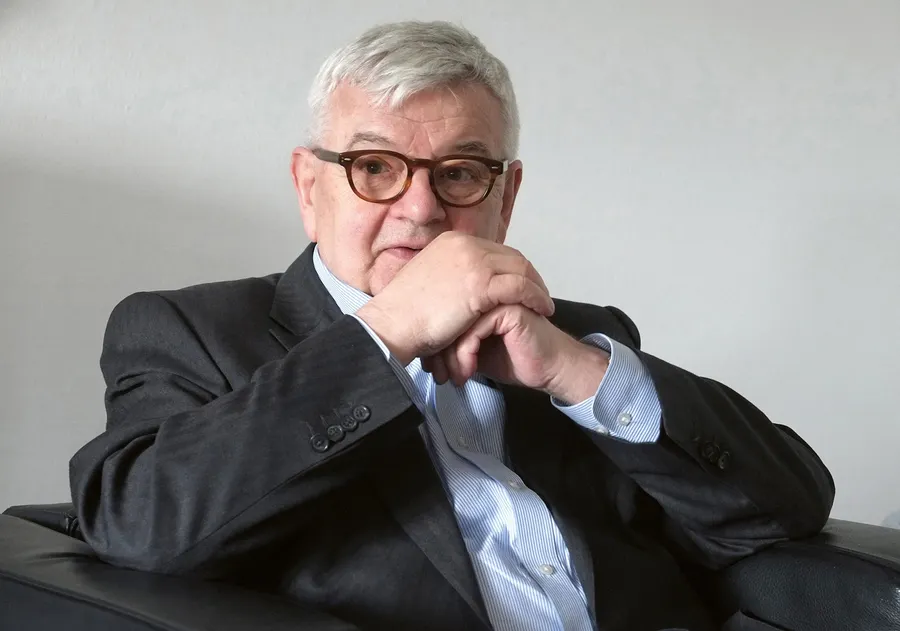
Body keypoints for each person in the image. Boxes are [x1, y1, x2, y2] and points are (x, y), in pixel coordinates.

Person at [69, 21, 834, 631]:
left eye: (461, 173)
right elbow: (138, 526)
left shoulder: (574, 334)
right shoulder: (190, 330)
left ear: (508, 196)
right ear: (309, 186)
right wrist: (387, 330)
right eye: (375, 167)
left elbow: (788, 506)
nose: (421, 207)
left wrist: (577, 373)